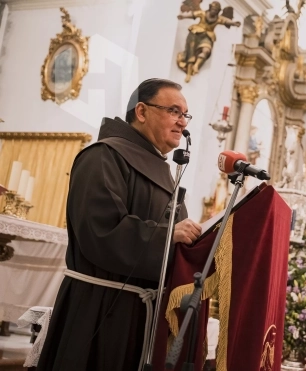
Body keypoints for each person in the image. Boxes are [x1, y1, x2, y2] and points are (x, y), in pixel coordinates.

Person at [37, 78, 203, 371]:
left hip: (143, 313)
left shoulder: (164, 171)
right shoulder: (104, 155)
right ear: (141, 111)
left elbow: (176, 240)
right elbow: (101, 231)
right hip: (100, 309)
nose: (182, 123)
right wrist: (168, 236)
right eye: (174, 111)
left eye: (185, 115)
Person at [177, 1, 241, 82]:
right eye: (213, 9)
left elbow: (226, 21)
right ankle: (189, 73)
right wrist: (183, 16)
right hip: (196, 34)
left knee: (206, 50)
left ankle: (196, 65)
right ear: (210, 8)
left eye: (216, 10)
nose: (214, 11)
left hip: (207, 36)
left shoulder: (218, 18)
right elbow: (193, 14)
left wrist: (234, 23)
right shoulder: (203, 13)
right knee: (191, 53)